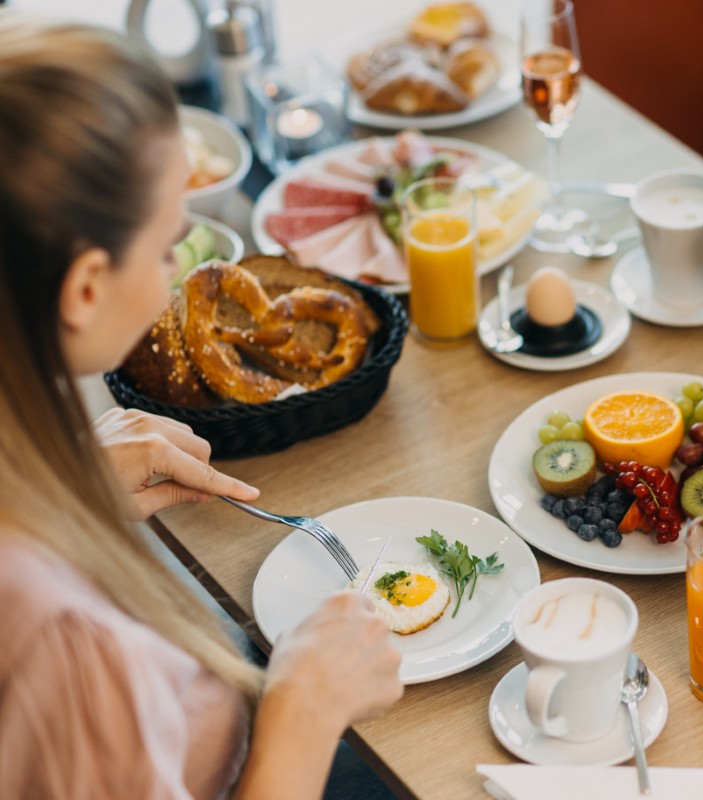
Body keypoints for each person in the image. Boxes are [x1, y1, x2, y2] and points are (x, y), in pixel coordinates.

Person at [0, 16, 404, 798]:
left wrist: (69, 495)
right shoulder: (66, 649)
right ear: (85, 288)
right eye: (164, 251)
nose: (174, 282)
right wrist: (304, 711)